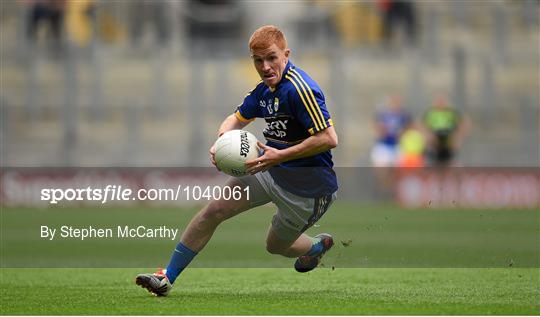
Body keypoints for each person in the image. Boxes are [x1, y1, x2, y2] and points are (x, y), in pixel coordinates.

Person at [136, 25, 339, 296]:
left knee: (275, 247)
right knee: (214, 210)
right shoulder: (263, 92)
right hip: (268, 169)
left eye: (271, 58)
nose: (265, 66)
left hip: (308, 191)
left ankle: (315, 247)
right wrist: (222, 141)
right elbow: (236, 119)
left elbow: (328, 138)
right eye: (258, 60)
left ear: (286, 54)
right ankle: (166, 277)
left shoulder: (301, 90)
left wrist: (280, 154)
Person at [421, 94, 468, 167]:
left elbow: (463, 124)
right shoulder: (430, 112)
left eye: (442, 101)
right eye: (438, 101)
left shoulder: (451, 113)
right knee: (433, 161)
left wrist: (458, 136)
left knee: (449, 161)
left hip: (448, 139)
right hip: (435, 140)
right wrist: (427, 136)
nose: (440, 103)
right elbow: (422, 125)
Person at [370, 94, 411, 167]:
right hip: (384, 144)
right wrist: (382, 131)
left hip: (398, 145)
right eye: (394, 101)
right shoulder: (382, 114)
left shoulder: (404, 115)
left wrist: (402, 134)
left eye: (397, 101)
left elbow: (408, 129)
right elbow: (377, 128)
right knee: (381, 168)